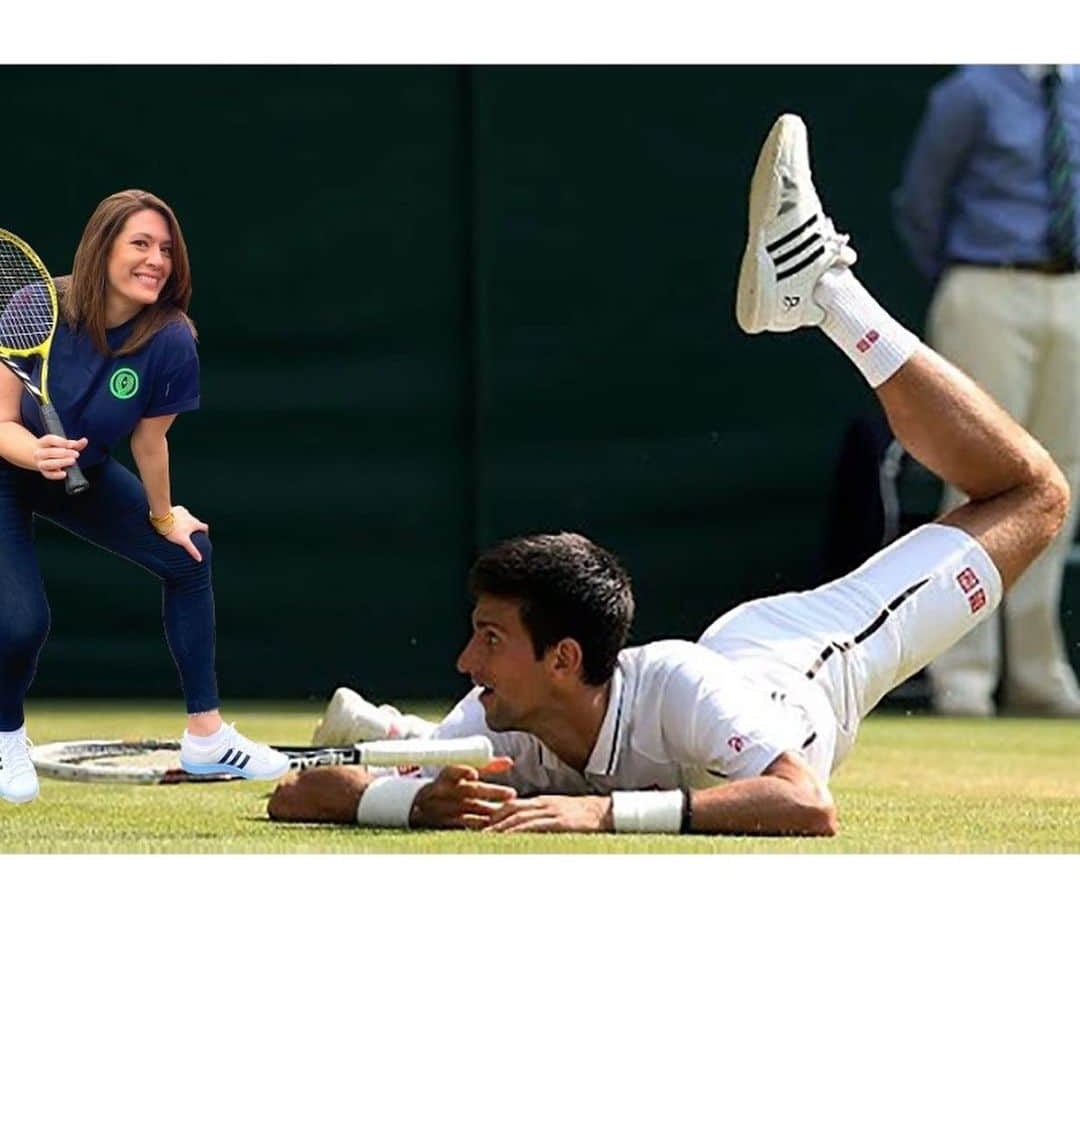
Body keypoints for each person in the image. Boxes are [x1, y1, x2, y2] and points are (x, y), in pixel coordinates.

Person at [268, 115, 1068, 836]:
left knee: (1034, 496)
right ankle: (401, 735)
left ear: (565, 659)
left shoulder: (673, 688)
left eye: (488, 640)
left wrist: (603, 812)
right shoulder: (502, 715)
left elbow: (806, 804)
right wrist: (410, 798)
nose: (466, 664)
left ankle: (826, 288)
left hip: (812, 658)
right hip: (737, 666)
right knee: (1030, 492)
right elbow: (294, 797)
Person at [0, 189, 288, 804]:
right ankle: (5, 734)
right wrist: (33, 452)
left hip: (82, 469)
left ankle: (206, 737)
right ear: (103, 248)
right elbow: (0, 420)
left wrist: (164, 515)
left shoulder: (171, 336)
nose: (156, 259)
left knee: (189, 557)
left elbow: (150, 441)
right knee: (21, 624)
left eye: (165, 248)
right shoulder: (33, 303)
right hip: (7, 461)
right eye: (140, 244)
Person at [894, 66, 1080, 717]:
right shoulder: (972, 90)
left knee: (1061, 482)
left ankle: (1039, 676)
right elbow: (921, 201)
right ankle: (963, 677)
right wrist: (967, 279)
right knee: (976, 473)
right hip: (987, 285)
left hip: (1074, 291)